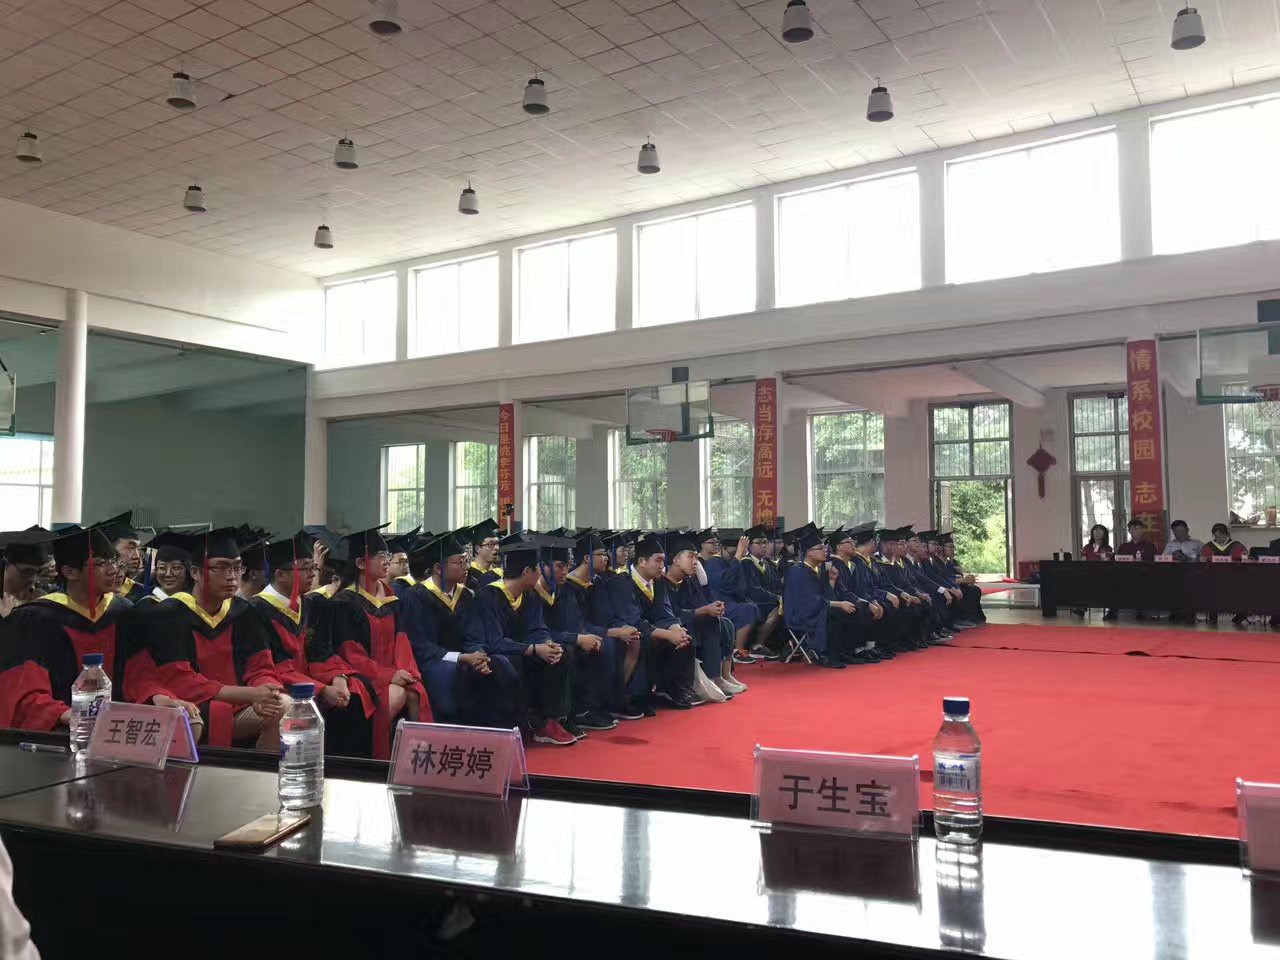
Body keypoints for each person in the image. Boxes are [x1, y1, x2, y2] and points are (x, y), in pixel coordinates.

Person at [0, 526, 197, 733]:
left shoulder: (122, 612)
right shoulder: (35, 619)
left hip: (117, 726)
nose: (113, 570)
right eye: (101, 564)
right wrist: (68, 715)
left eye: (114, 561)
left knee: (185, 723)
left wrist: (157, 695)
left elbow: (138, 674)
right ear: (69, 571)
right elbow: (25, 692)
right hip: (60, 728)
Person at [124, 528, 286, 750]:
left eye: (237, 567)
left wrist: (266, 691)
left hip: (240, 706)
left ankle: (264, 769)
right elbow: (180, 681)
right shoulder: (168, 614)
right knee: (192, 719)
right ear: (195, 572)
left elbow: (261, 666)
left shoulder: (244, 611)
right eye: (221, 568)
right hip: (192, 704)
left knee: (284, 706)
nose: (232, 576)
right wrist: (249, 695)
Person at [249, 534, 373, 756]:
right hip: (281, 685)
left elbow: (321, 650)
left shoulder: (309, 604)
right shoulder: (256, 610)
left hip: (312, 678)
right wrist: (322, 689)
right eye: (305, 568)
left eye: (313, 567)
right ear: (279, 574)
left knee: (357, 690)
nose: (313, 574)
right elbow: (272, 666)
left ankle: (349, 768)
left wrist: (339, 678)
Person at [461, 533, 578, 744]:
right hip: (494, 654)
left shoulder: (529, 595)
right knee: (506, 664)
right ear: (526, 572)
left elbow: (538, 628)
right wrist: (533, 649)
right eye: (538, 569)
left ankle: (545, 721)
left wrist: (547, 644)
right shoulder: (488, 596)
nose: (540, 574)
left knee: (561, 654)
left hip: (522, 650)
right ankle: (513, 725)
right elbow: (495, 642)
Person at [331, 526, 430, 758]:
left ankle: (418, 758)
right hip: (363, 677)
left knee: (416, 691)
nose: (386, 561)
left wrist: (405, 671)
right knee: (395, 695)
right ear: (360, 563)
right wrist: (388, 675)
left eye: (387, 555)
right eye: (380, 556)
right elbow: (350, 654)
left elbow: (402, 641)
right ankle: (380, 762)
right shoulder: (345, 602)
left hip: (395, 672)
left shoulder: (391, 598)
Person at [403, 531, 517, 729]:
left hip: (466, 658)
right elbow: (420, 645)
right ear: (438, 568)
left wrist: (478, 655)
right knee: (448, 671)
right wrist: (461, 658)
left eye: (466, 561)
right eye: (460, 562)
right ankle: (449, 732)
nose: (466, 567)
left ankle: (496, 730)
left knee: (500, 664)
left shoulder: (467, 596)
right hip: (432, 662)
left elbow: (475, 635)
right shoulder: (416, 597)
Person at [605, 532, 698, 711]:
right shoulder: (622, 582)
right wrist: (668, 635)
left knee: (685, 635)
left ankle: (671, 690)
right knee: (645, 639)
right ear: (642, 561)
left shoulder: (658, 582)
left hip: (650, 627)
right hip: (625, 629)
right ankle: (637, 696)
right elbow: (634, 620)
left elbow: (664, 611)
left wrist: (676, 629)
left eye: (664, 560)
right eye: (658, 560)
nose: (662, 565)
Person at [539, 533, 619, 733]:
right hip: (537, 646)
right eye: (560, 566)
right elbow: (538, 631)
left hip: (559, 639)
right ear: (542, 567)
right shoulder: (532, 594)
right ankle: (566, 715)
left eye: (567, 566)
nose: (565, 571)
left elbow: (573, 623)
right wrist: (577, 638)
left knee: (593, 646)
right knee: (568, 651)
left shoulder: (561, 590)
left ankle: (590, 708)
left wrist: (584, 636)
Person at [665, 530, 743, 698]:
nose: (696, 562)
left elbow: (699, 603)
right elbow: (671, 615)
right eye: (690, 557)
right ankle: (710, 679)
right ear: (675, 560)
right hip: (672, 628)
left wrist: (714, 608)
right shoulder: (662, 583)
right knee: (709, 621)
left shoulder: (687, 580)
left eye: (696, 557)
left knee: (724, 622)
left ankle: (720, 676)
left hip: (692, 622)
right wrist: (705, 610)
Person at [781, 524, 861, 669]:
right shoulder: (798, 571)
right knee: (835, 613)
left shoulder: (819, 570)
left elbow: (824, 595)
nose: (826, 550)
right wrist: (839, 604)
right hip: (800, 614)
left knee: (852, 610)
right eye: (820, 548)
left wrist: (832, 581)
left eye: (825, 547)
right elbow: (809, 601)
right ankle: (826, 655)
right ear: (809, 553)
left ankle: (844, 652)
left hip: (815, 609)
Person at [698, 529, 762, 666]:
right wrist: (737, 556)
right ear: (723, 548)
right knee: (747, 610)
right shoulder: (713, 563)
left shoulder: (730, 561)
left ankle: (751, 646)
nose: (735, 556)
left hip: (732, 601)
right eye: (732, 553)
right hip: (718, 603)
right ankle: (737, 650)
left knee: (753, 606)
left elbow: (740, 586)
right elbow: (725, 583)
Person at [739, 524, 783, 659]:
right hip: (753, 602)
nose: (763, 546)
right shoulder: (746, 563)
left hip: (766, 602)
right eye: (758, 543)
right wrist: (777, 598)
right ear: (749, 546)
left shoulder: (767, 564)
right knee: (778, 610)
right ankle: (757, 645)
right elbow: (753, 590)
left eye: (765, 542)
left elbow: (776, 586)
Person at [100, 512, 148, 604]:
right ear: (109, 548)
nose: (137, 556)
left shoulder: (142, 594)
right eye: (131, 548)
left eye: (138, 549)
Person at [938, 533, 986, 624]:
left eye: (953, 547)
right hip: (945, 587)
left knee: (975, 589)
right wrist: (961, 580)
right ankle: (961, 618)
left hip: (953, 584)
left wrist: (961, 577)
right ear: (941, 548)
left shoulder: (949, 562)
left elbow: (951, 575)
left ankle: (974, 617)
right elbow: (941, 578)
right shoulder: (936, 561)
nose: (953, 549)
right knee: (966, 591)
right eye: (950, 547)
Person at [1, 533, 47, 613]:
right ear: (6, 566)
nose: (32, 579)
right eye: (27, 571)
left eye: (36, 572)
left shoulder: (39, 598)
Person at [464, 519, 503, 592]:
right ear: (477, 548)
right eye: (491, 544)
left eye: (497, 544)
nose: (497, 548)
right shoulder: (468, 574)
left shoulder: (499, 573)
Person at [386, 528, 421, 595]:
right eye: (400, 562)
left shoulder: (404, 586)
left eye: (406, 561)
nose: (406, 566)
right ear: (386, 562)